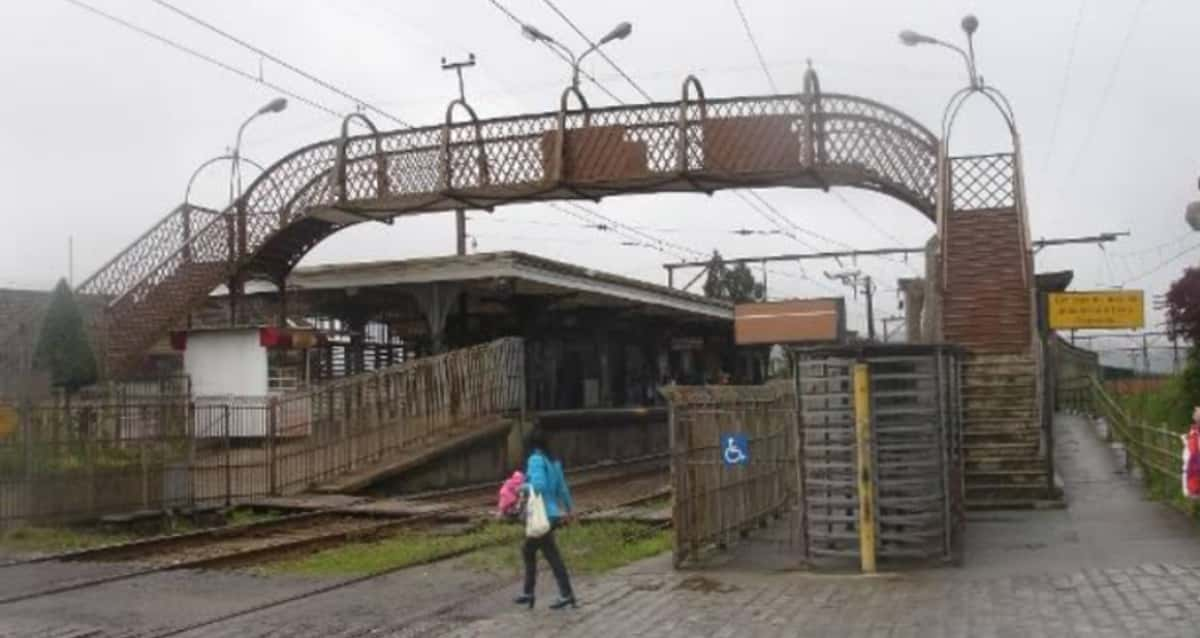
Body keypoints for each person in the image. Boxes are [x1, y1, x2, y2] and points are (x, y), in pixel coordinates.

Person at [514, 427, 576, 610]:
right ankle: (563, 594)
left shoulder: (535, 459)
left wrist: (521, 487)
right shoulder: (553, 462)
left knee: (531, 551)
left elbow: (538, 485)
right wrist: (570, 509)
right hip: (553, 514)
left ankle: (532, 593)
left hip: (542, 516)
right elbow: (562, 489)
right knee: (545, 553)